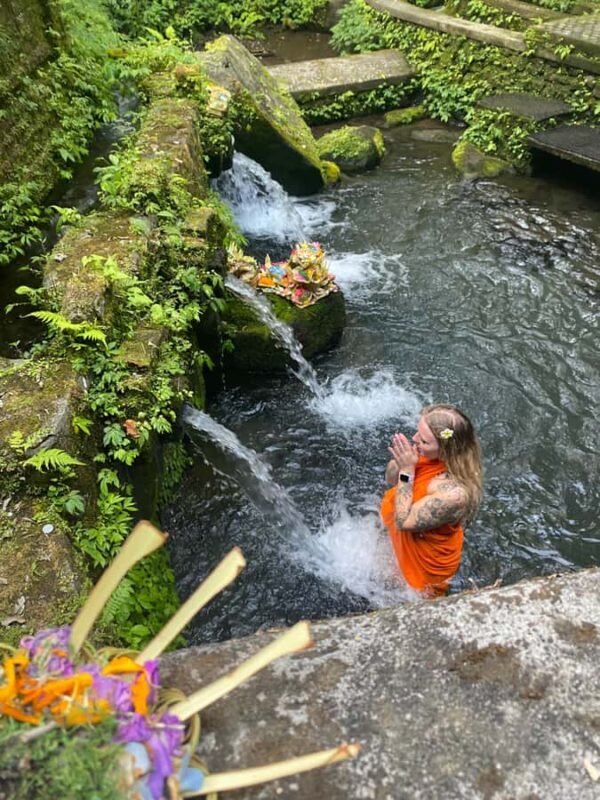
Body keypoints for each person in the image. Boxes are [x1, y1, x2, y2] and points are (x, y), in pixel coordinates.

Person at [380, 403, 482, 597]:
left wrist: (407, 470)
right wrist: (402, 462)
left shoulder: (454, 494)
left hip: (424, 568)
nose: (414, 439)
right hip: (404, 532)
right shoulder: (426, 453)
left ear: (446, 450)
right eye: (417, 433)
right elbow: (391, 479)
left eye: (424, 441)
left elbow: (403, 522)